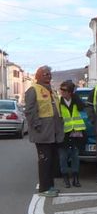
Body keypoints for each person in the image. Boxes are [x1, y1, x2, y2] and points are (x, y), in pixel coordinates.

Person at [24, 66, 64, 197]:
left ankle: (50, 186)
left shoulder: (51, 90)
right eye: (45, 74)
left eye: (49, 74)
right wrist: (37, 125)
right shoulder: (33, 90)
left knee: (52, 161)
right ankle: (44, 188)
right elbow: (30, 111)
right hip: (42, 132)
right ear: (38, 76)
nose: (48, 76)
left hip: (53, 132)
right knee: (45, 160)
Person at [58, 80, 86, 188]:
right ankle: (65, 179)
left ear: (70, 92)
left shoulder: (76, 101)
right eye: (61, 90)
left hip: (76, 133)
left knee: (75, 156)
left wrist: (75, 97)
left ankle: (75, 179)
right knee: (63, 157)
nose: (62, 92)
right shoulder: (59, 102)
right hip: (63, 134)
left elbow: (82, 108)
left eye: (64, 90)